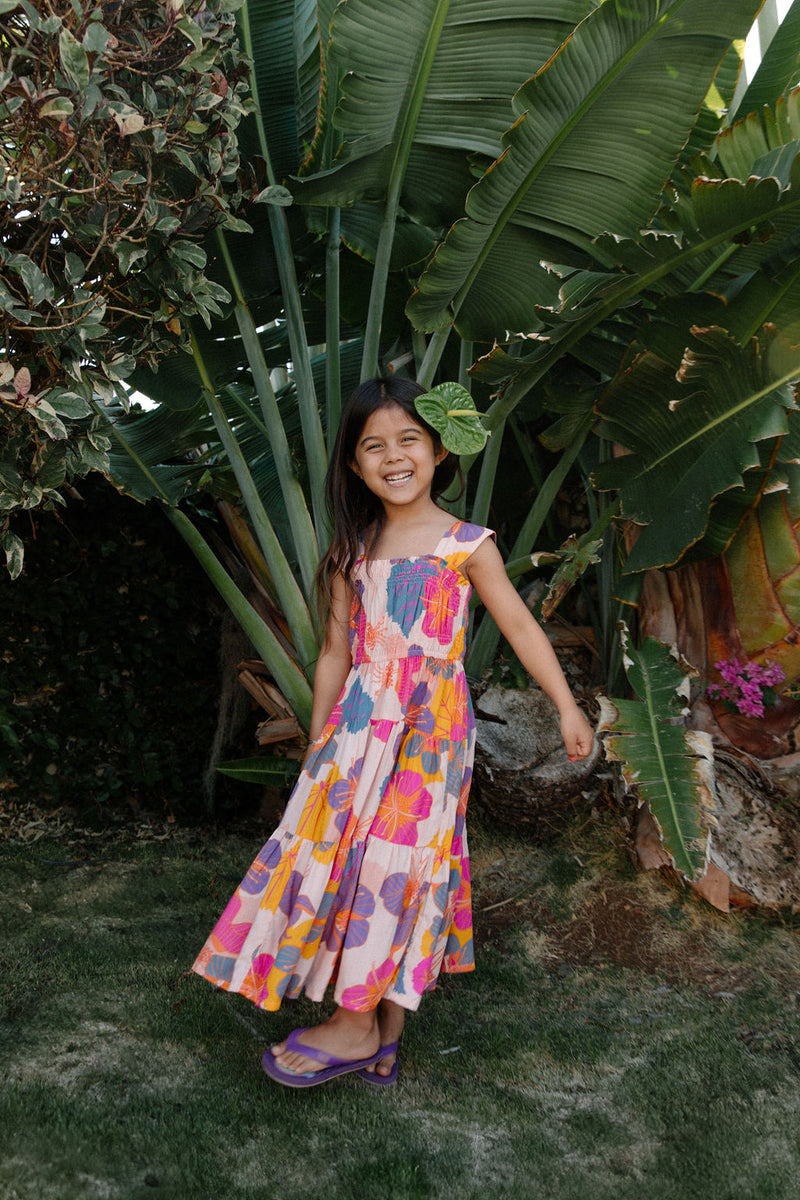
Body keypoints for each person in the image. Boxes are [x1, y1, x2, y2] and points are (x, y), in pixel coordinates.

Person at [192, 376, 594, 1088]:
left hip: (432, 730)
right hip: (355, 728)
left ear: (438, 451)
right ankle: (381, 1034)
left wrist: (565, 704)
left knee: (398, 864)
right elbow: (334, 654)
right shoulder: (354, 551)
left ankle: (352, 1025)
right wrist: (319, 738)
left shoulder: (466, 545)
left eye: (409, 439)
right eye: (373, 445)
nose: (393, 455)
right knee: (347, 861)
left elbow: (521, 624)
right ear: (354, 466)